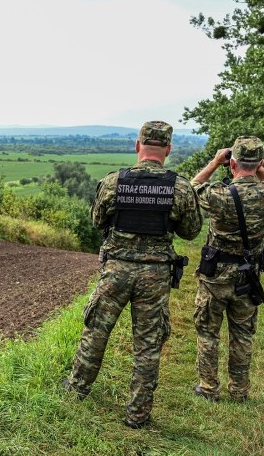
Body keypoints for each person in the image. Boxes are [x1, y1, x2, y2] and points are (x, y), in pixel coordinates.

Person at [62, 120, 202, 429]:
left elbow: (98, 220)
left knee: (96, 331)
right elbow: (191, 231)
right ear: (168, 149)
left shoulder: (114, 182)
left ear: (137, 146)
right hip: (155, 276)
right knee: (148, 344)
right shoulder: (179, 187)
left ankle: (75, 391)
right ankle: (137, 415)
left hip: (116, 270)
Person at [190, 136, 264, 402]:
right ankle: (239, 390)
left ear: (231, 163)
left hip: (215, 275)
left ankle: (208, 388)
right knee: (243, 334)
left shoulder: (218, 195)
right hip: (248, 275)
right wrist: (259, 168)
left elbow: (192, 188)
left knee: (208, 332)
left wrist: (213, 162)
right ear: (260, 164)